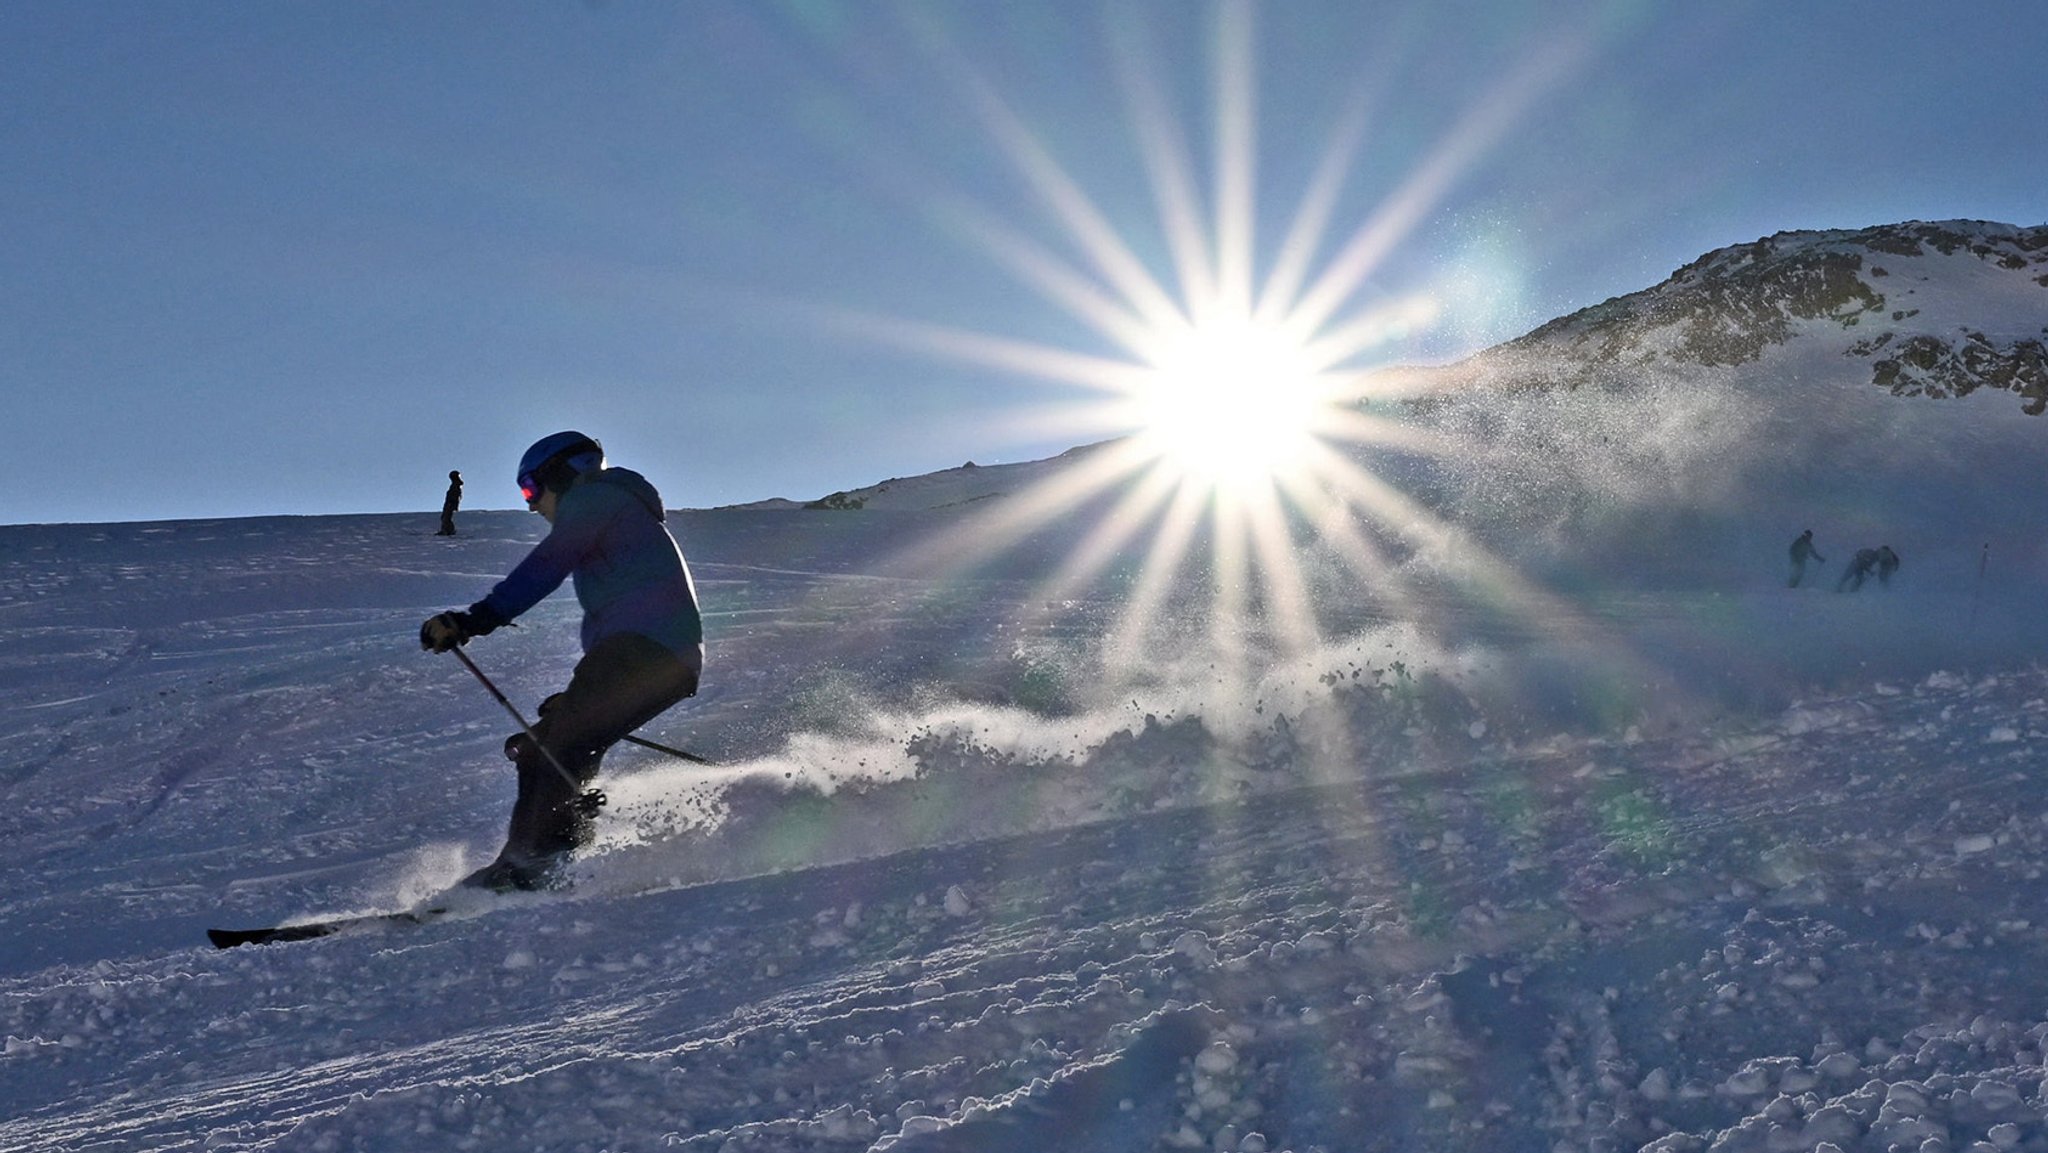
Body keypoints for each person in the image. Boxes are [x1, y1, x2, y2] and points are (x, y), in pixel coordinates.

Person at [420, 432, 703, 891]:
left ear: (561, 473)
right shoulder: (614, 508)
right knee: (543, 746)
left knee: (558, 748)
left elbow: (546, 566)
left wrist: (474, 619)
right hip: (648, 655)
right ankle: (549, 858)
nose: (531, 505)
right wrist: (575, 699)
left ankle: (533, 866)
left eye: (531, 488)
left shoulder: (595, 498)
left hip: (646, 652)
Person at [436, 470, 463, 536]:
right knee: (444, 517)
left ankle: (448, 531)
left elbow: (456, 495)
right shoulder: (455, 485)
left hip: (451, 503)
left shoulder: (456, 485)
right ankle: (447, 530)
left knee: (447, 517)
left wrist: (452, 503)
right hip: (449, 503)